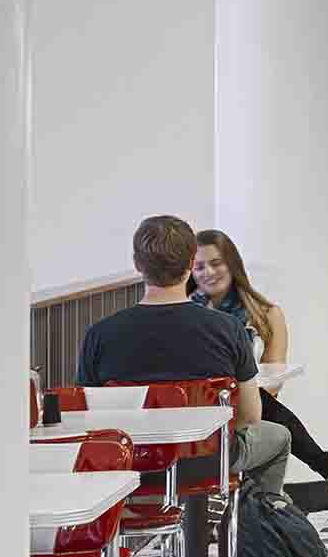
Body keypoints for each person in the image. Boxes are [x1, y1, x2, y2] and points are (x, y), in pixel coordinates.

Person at [75, 214, 290, 501]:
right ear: (191, 264)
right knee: (280, 436)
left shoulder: (99, 335)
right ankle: (260, 526)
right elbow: (250, 416)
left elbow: (87, 417)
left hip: (132, 464)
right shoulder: (227, 329)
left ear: (138, 264)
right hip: (211, 458)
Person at [192, 229, 328, 493]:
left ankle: (319, 475)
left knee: (257, 398)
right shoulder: (189, 315)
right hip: (199, 410)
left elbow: (273, 381)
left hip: (246, 410)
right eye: (199, 267)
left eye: (216, 263)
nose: (208, 272)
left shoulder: (266, 314)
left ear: (232, 264)